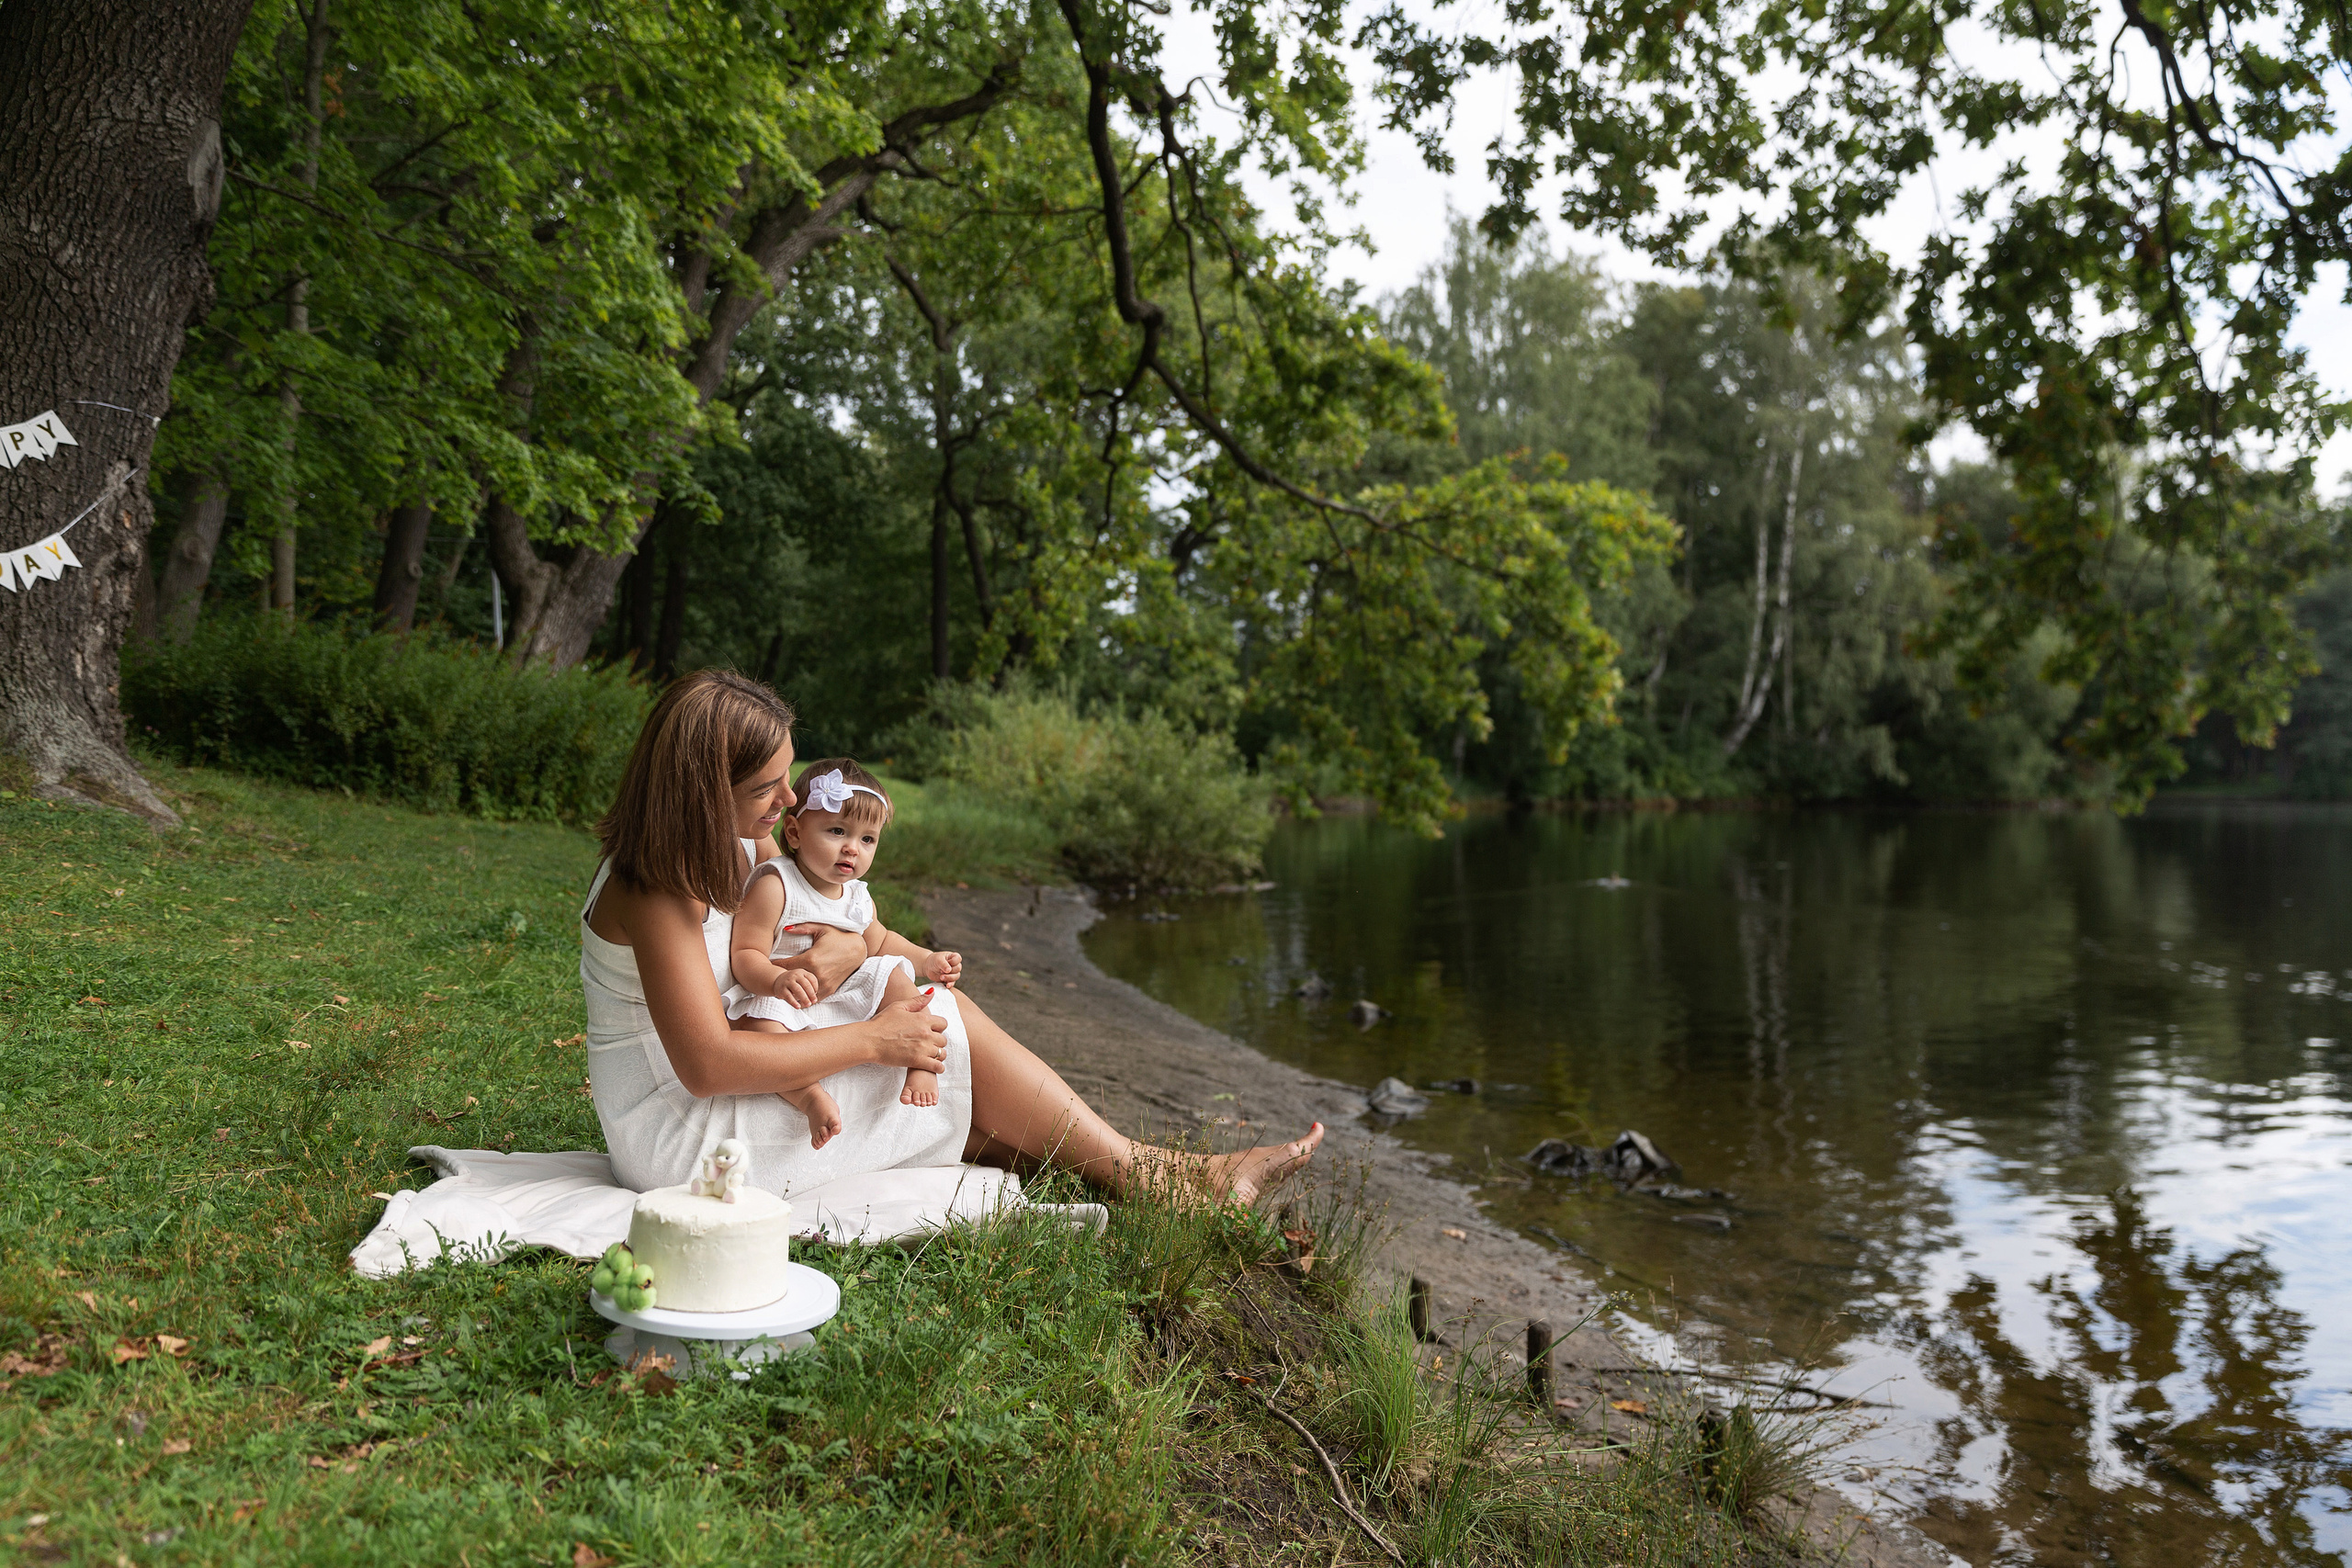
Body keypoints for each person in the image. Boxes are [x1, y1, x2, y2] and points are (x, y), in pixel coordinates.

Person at [580, 668, 1322, 1205]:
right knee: (926, 1028)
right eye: (767, 788)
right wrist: (874, 1040)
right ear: (704, 792)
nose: (791, 799)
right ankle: (1158, 1176)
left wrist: (849, 958)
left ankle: (1163, 1178)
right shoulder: (653, 886)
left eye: (788, 778)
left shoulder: (742, 845)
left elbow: (831, 924)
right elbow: (708, 1062)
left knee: (929, 1040)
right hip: (684, 1133)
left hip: (754, 1046)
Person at [725, 758, 961, 1147]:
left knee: (895, 978)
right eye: (837, 831)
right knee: (762, 1030)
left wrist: (926, 959)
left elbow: (881, 942)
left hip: (842, 991)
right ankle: (808, 1095)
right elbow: (746, 953)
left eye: (868, 839)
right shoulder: (777, 884)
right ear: (795, 832)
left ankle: (922, 1061)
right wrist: (777, 979)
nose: (852, 848)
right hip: (785, 996)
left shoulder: (856, 896)